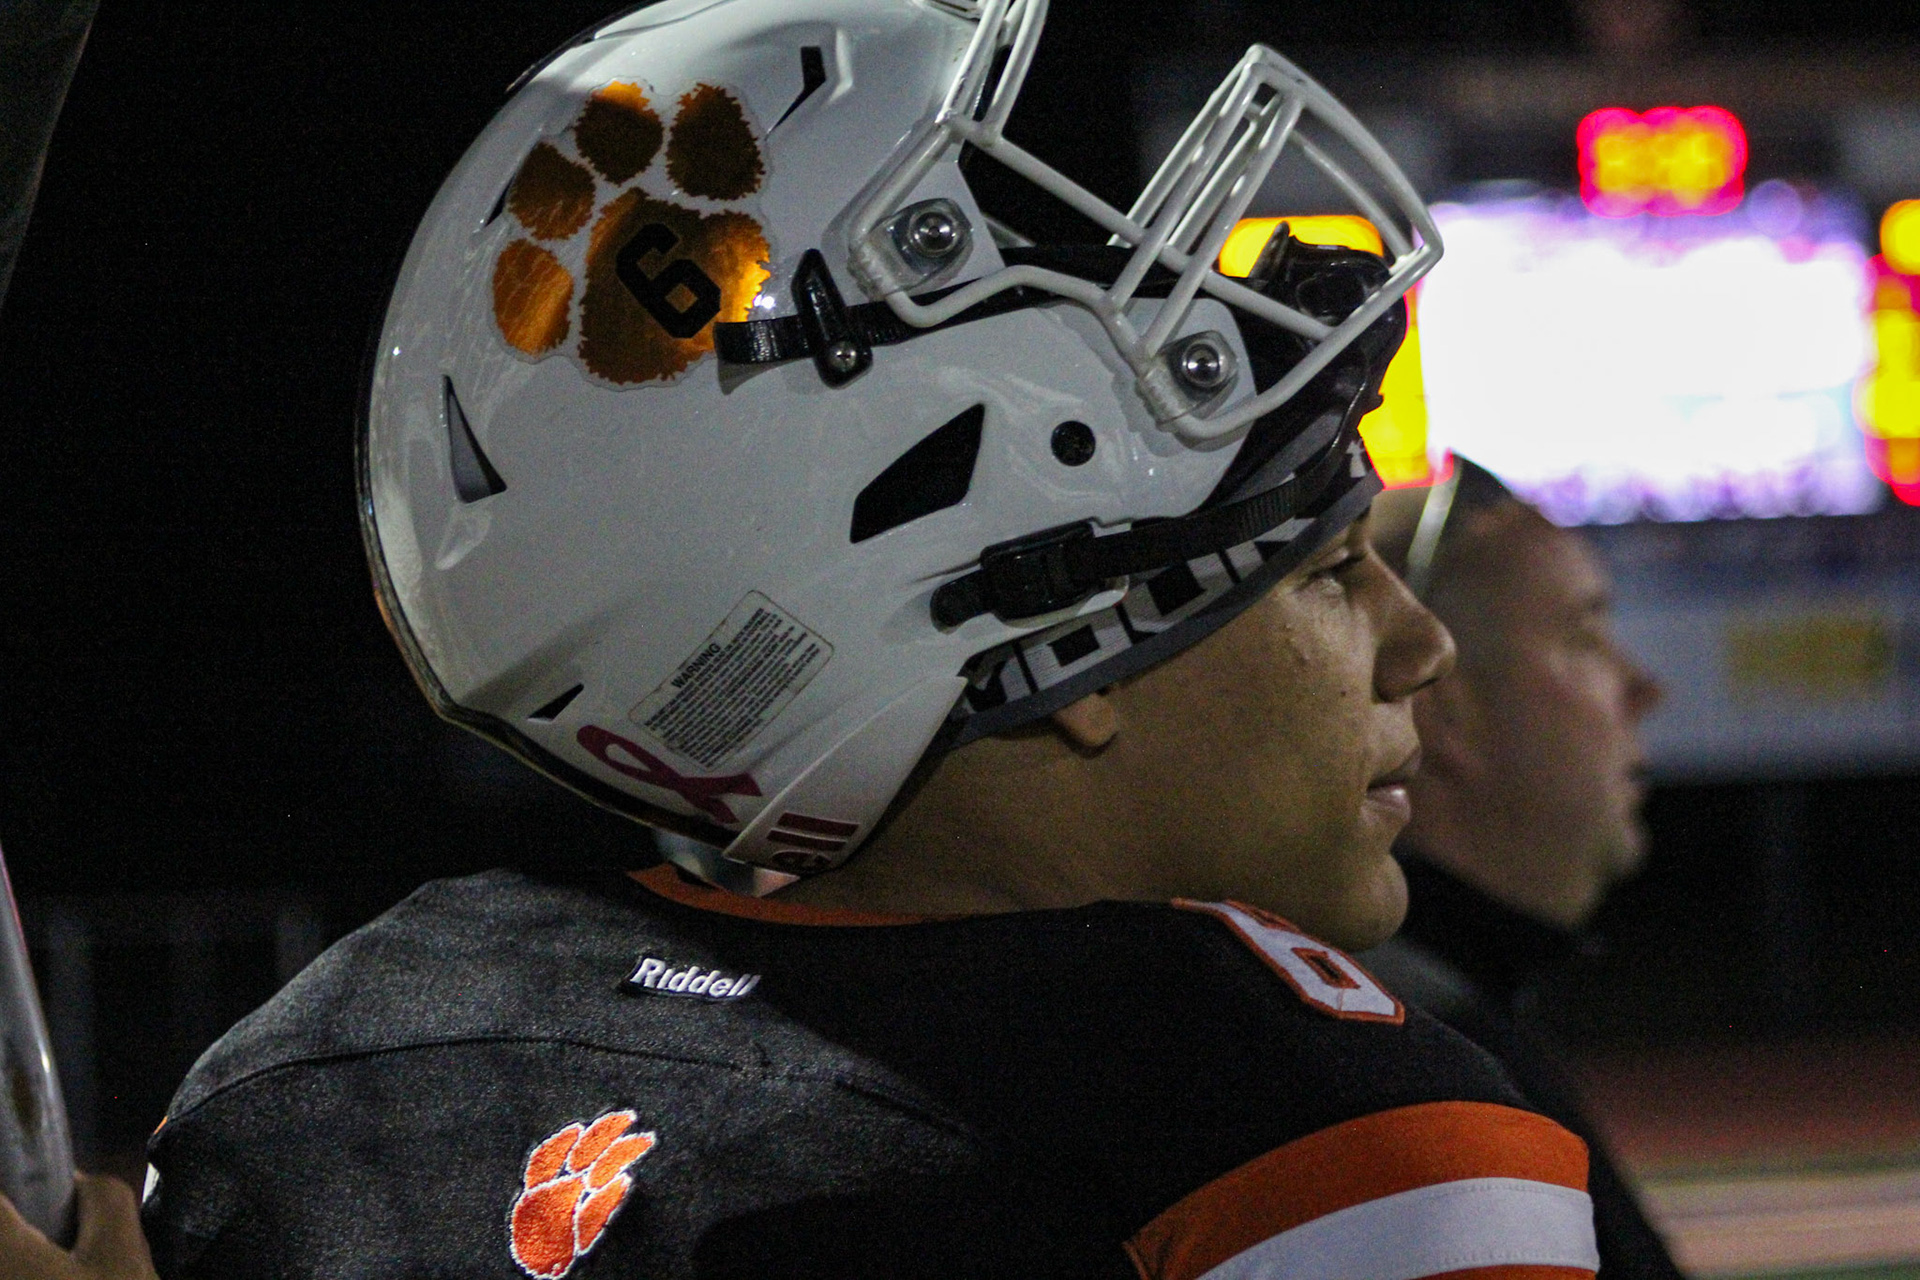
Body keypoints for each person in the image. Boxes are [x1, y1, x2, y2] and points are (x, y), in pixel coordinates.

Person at [15, 1, 1603, 1274]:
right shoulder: (1284, 1130)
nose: (1420, 646)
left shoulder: (324, 1081)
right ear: (1054, 641)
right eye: (1325, 569)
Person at [1362, 458, 1678, 1280]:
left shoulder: (1428, 1015)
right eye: (1583, 634)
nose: (1645, 687)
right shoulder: (1419, 1062)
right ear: (1439, 705)